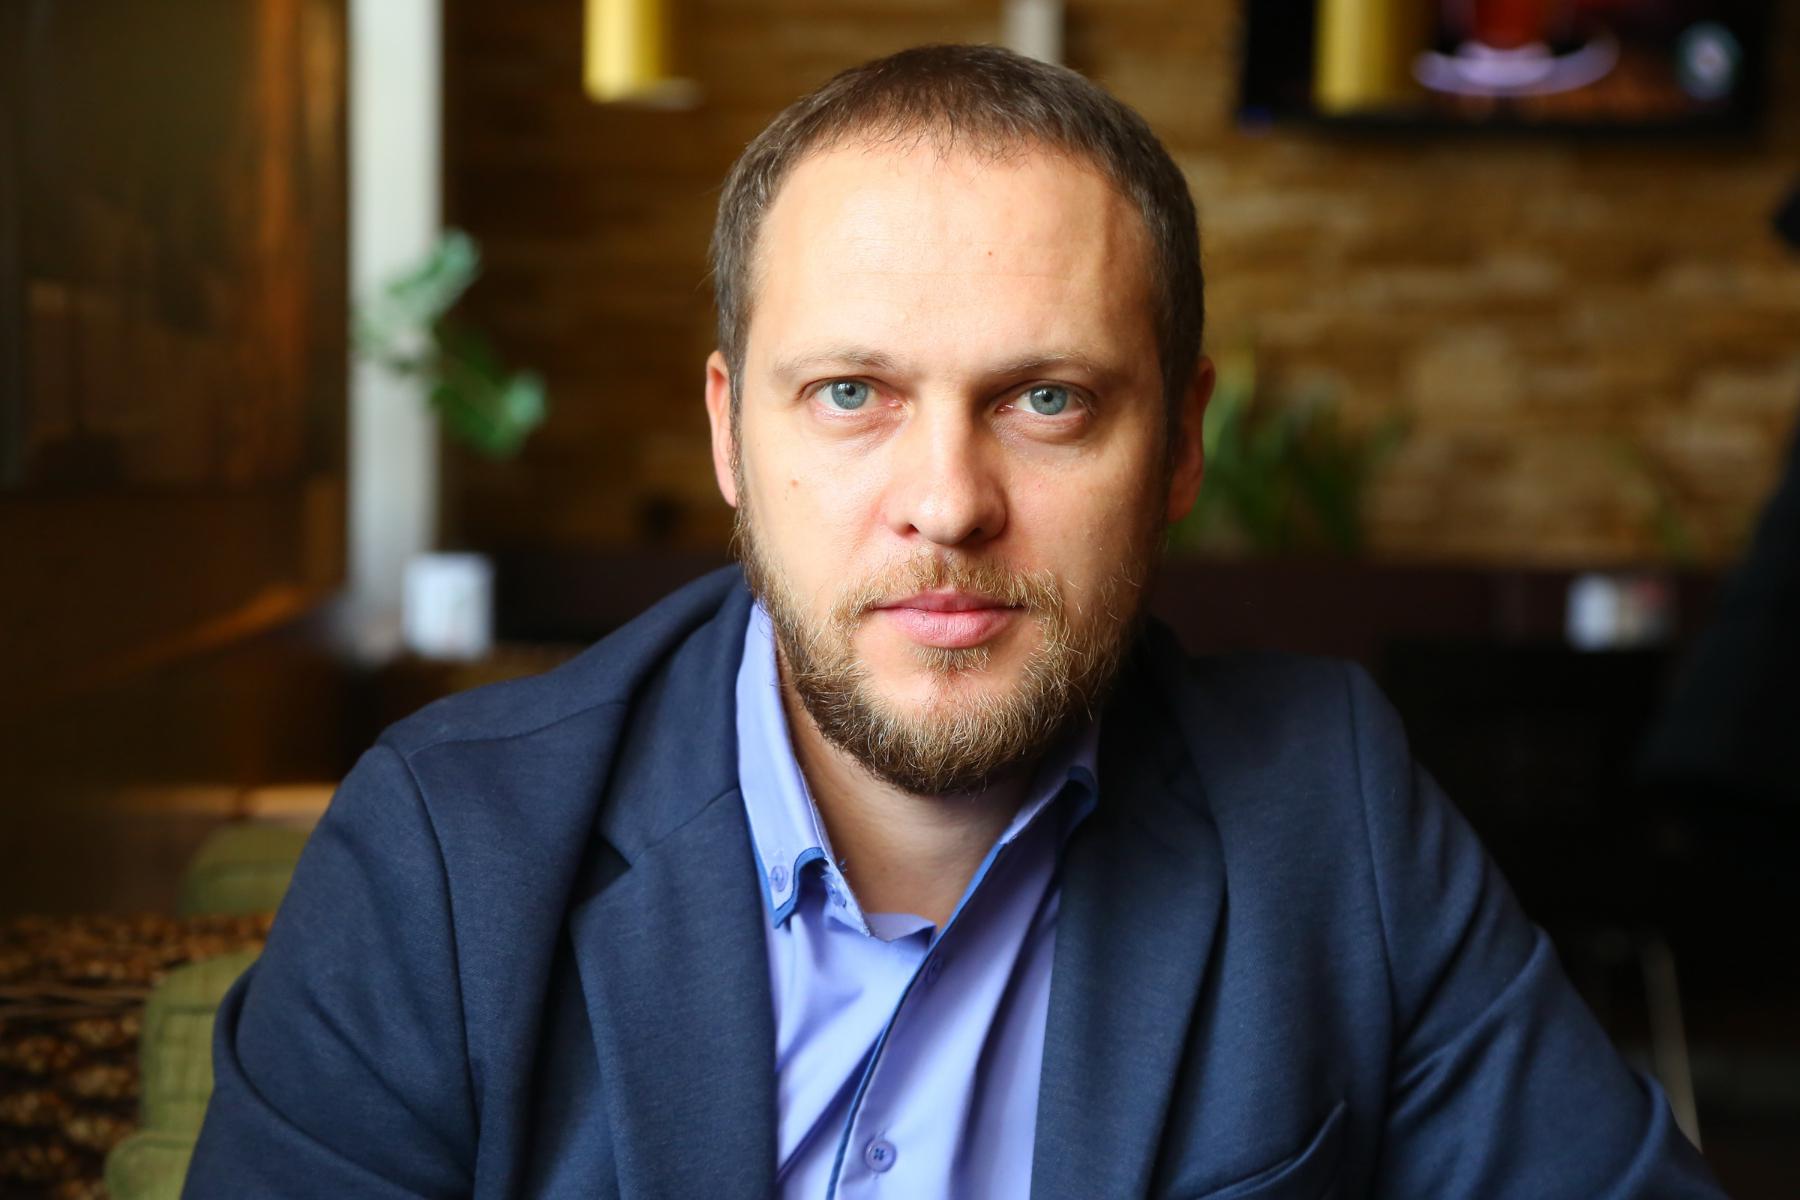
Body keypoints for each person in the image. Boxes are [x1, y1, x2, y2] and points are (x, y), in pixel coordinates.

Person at [186, 45, 1723, 1199]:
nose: (946, 502)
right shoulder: (445, 852)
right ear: (729, 435)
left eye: (1047, 401)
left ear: (1181, 444)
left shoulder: (1330, 810)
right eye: (851, 393)